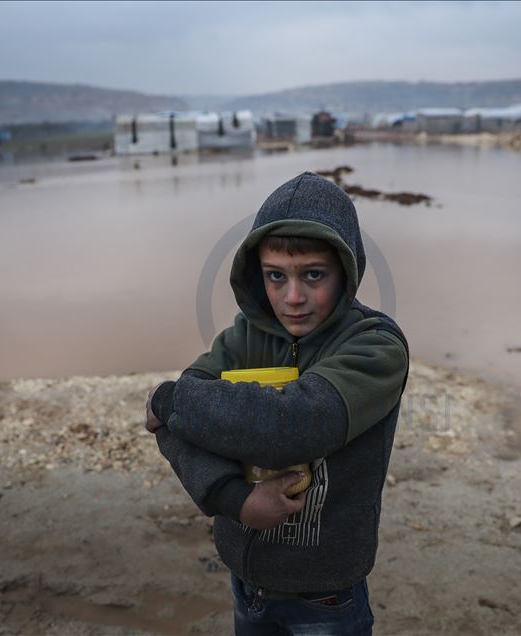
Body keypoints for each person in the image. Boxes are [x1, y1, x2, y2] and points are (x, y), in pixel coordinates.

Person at [145, 171, 409, 635]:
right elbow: (176, 428)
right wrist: (235, 498)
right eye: (275, 276)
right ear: (256, 273)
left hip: (326, 596)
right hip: (247, 583)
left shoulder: (376, 347)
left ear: (345, 271)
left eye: (313, 274)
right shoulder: (241, 338)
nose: (293, 298)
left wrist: (167, 399)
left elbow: (296, 425)